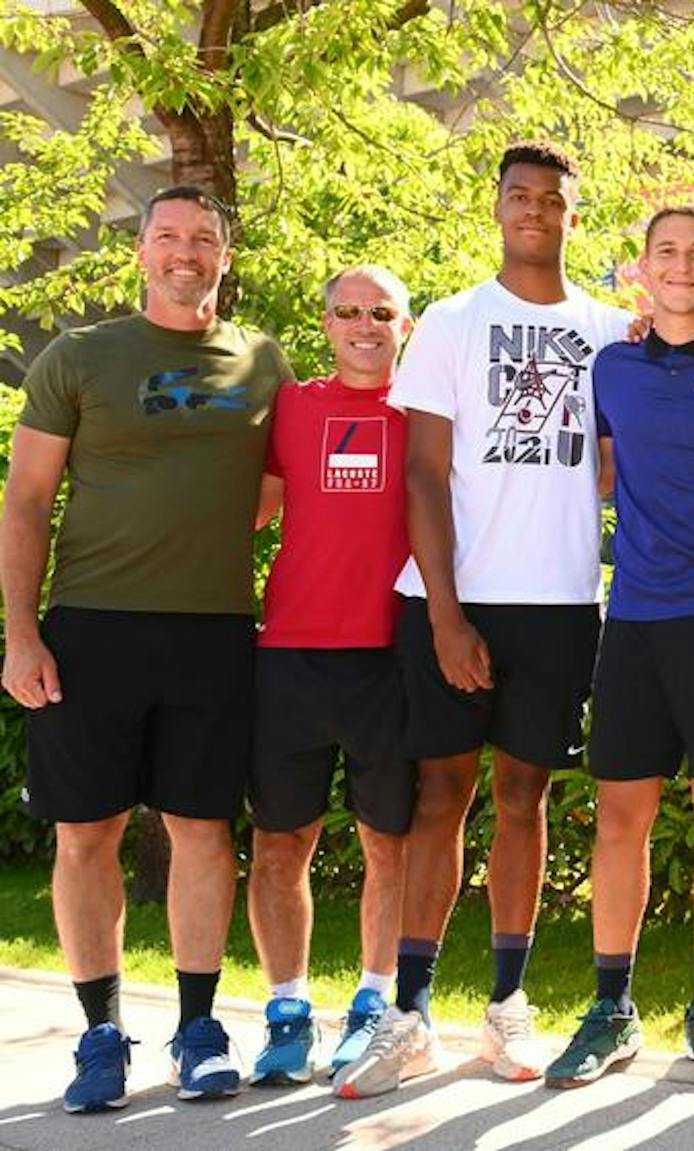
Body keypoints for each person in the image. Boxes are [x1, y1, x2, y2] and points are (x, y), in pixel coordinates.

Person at [336, 140, 633, 1098]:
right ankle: (410, 1013)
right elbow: (423, 472)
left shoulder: (611, 328)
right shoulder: (456, 323)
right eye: (519, 195)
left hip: (559, 601)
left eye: (553, 197)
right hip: (453, 601)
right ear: (497, 207)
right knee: (440, 797)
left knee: (524, 800)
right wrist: (450, 613)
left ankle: (507, 1006)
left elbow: (626, 464)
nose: (535, 209)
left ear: (572, 215)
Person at [2, 186, 291, 1111]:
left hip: (211, 631)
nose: (185, 252)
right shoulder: (80, 356)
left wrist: (194, 532)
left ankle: (199, 1027)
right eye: (167, 236)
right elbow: (25, 502)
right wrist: (19, 633)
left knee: (203, 830)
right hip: (91, 627)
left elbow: (275, 488)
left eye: (203, 238)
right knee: (87, 833)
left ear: (223, 256)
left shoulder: (262, 360)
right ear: (141, 253)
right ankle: (99, 1035)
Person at [542, 207, 694, 1092]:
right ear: (642, 269)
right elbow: (601, 472)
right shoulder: (612, 366)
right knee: (621, 817)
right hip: (635, 617)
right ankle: (611, 1009)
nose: (682, 265)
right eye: (667, 253)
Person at [244, 266, 417, 1089]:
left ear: (404, 325)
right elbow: (249, 504)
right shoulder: (291, 407)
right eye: (347, 310)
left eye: (380, 312)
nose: (363, 324)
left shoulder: (426, 412)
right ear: (325, 323)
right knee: (282, 841)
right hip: (290, 654)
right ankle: (286, 1012)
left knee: (389, 841)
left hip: (389, 656)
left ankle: (371, 1006)